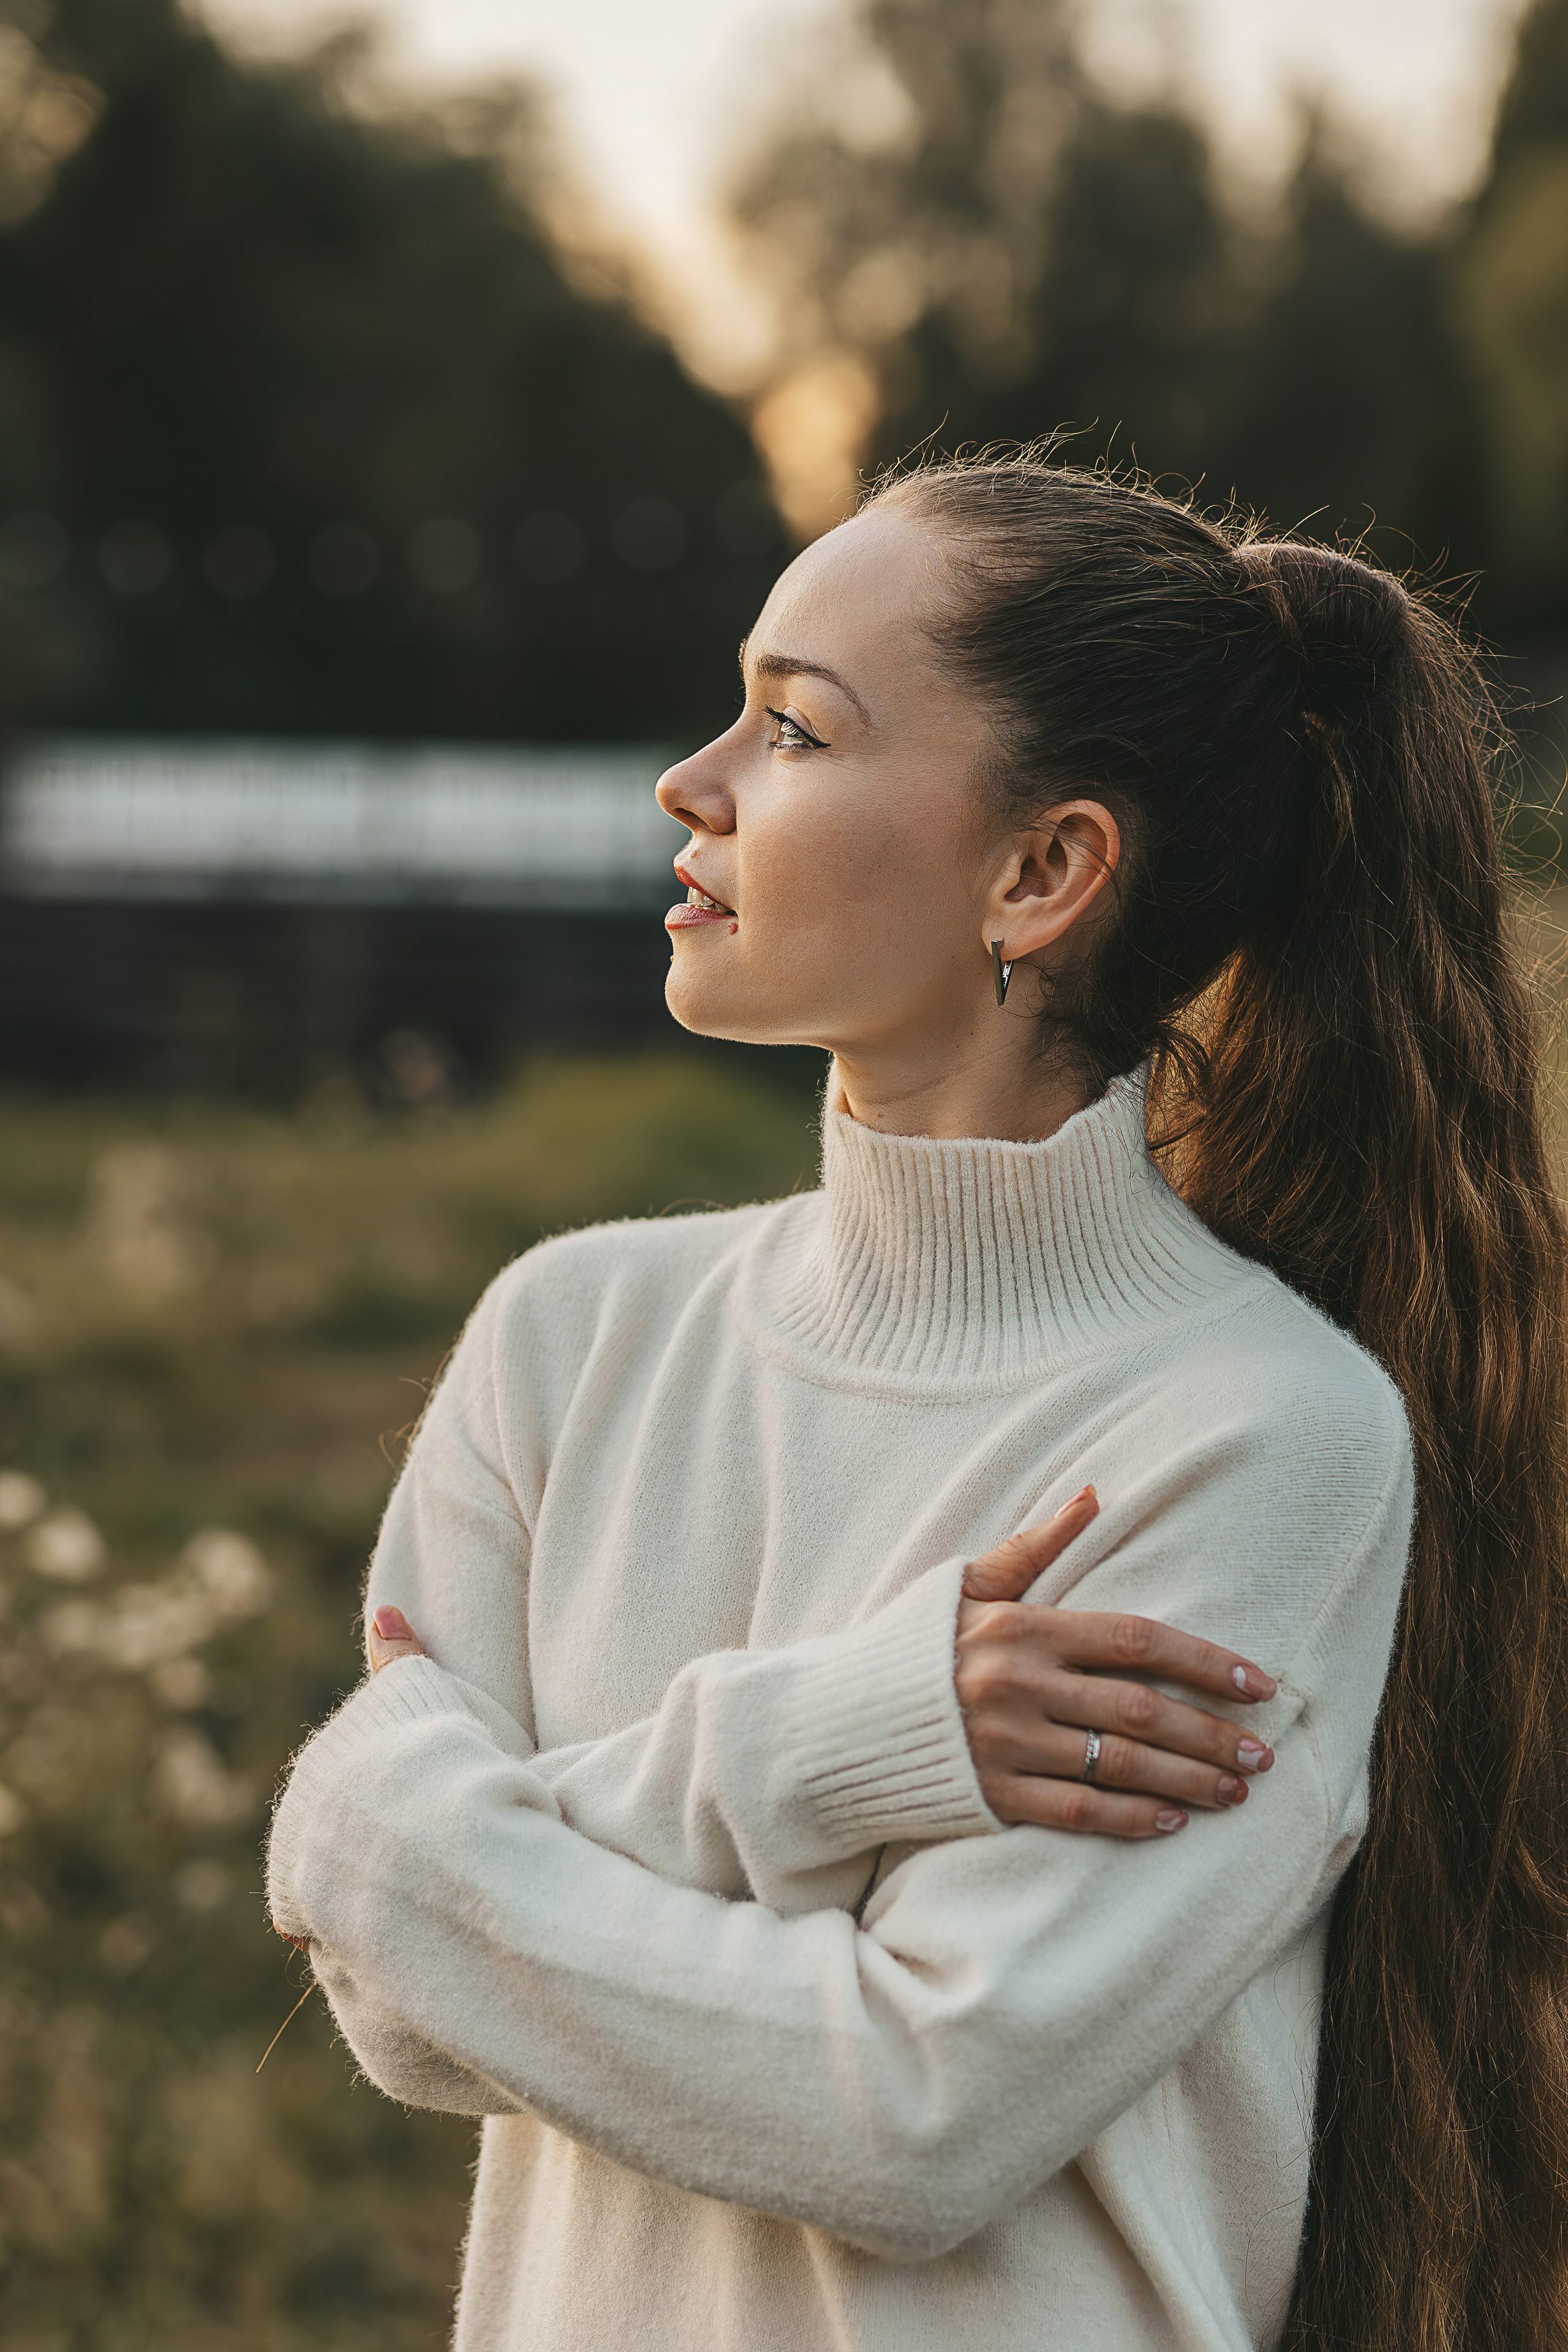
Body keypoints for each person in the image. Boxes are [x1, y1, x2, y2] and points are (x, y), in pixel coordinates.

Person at [267, 457, 1568, 2350]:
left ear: (1042, 871)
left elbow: (912, 2109)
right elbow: (397, 2021)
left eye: (793, 726)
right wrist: (838, 1742)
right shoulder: (569, 1336)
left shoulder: (1264, 1434)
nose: (690, 780)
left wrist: (401, 1836)